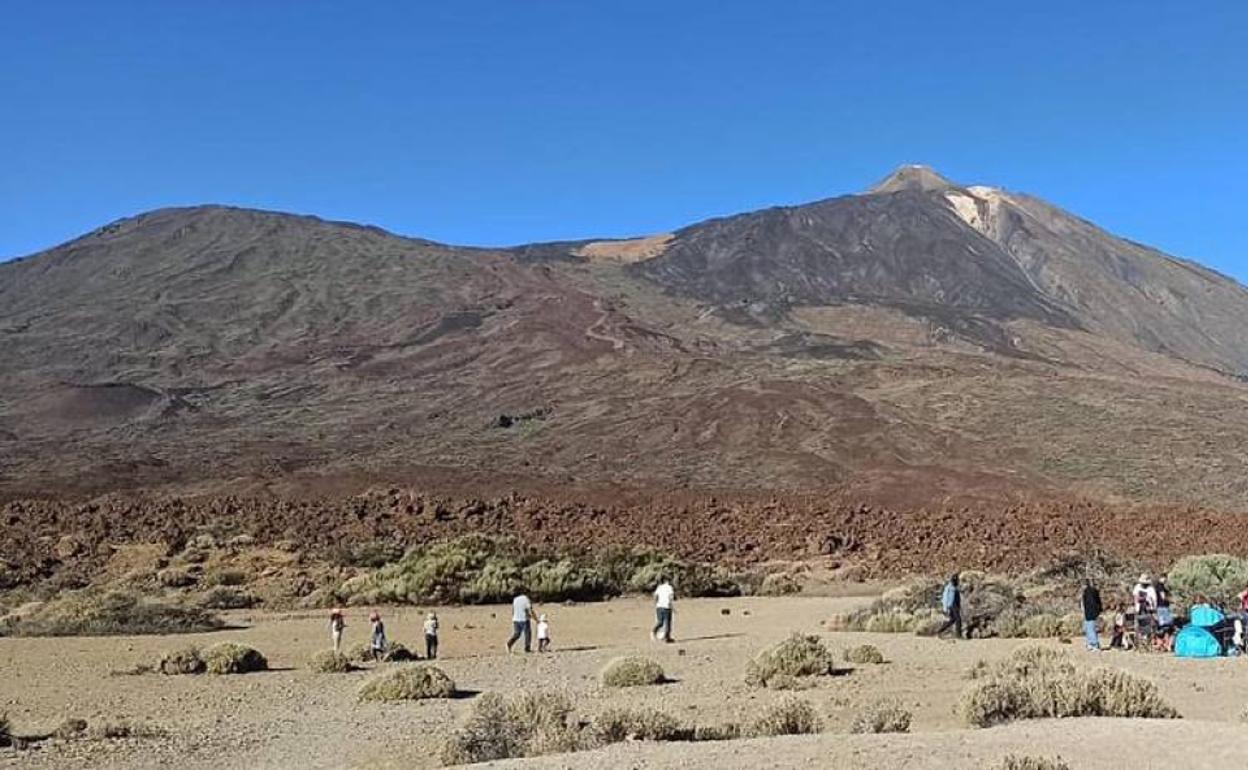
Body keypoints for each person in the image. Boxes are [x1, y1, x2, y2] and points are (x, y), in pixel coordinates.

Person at [506, 588, 536, 654]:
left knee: (517, 634)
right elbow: (530, 610)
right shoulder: (526, 599)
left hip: (516, 619)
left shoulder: (515, 599)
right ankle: (527, 649)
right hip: (524, 619)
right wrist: (535, 619)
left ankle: (509, 643)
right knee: (527, 633)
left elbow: (513, 610)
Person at [936, 573, 962, 640]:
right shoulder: (948, 588)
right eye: (957, 580)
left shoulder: (955, 588)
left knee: (952, 620)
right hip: (951, 605)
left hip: (955, 605)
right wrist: (945, 608)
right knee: (958, 619)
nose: (958, 581)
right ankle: (958, 635)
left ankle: (940, 631)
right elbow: (945, 598)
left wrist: (959, 606)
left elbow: (957, 598)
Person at [1080, 579, 1102, 651]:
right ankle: (1090, 643)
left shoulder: (1088, 592)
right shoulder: (1093, 591)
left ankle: (1094, 644)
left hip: (1090, 613)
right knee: (1088, 628)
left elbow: (1091, 603)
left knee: (1090, 629)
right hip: (1090, 613)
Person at [653, 576, 675, 643]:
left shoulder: (659, 587)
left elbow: (655, 596)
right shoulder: (669, 588)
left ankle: (654, 631)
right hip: (666, 607)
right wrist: (671, 606)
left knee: (660, 622)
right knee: (667, 622)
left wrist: (656, 603)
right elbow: (670, 597)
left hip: (659, 607)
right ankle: (667, 637)